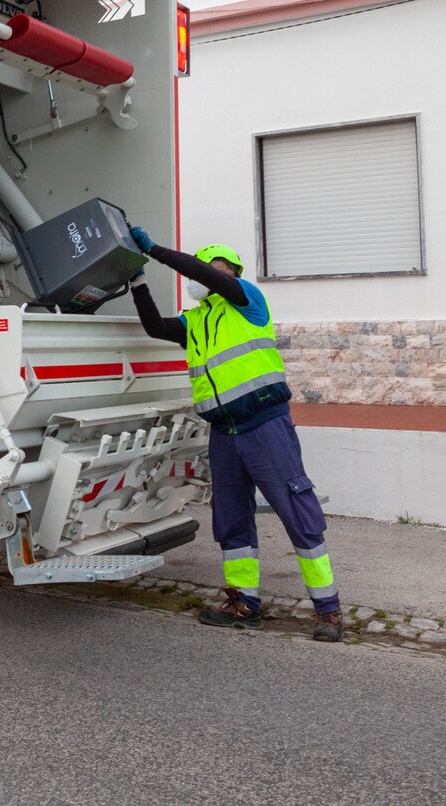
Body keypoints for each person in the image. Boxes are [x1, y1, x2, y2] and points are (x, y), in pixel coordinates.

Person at [127, 226, 343, 642]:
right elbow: (154, 327)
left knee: (296, 512)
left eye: (216, 269)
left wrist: (154, 250)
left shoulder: (247, 300)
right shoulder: (195, 321)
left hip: (265, 425)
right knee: (231, 519)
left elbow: (212, 278)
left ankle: (328, 609)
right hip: (224, 432)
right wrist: (137, 280)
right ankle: (244, 603)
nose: (206, 276)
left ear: (231, 273)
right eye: (205, 269)